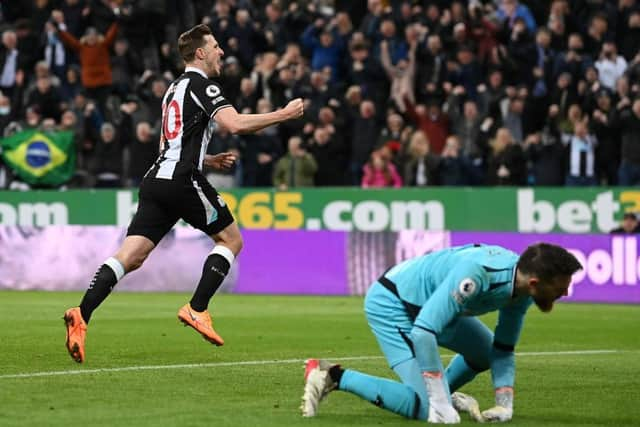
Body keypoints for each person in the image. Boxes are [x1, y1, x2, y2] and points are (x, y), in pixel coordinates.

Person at [63, 24, 304, 363]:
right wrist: (285, 114)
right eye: (216, 46)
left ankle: (81, 313)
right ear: (201, 53)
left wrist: (206, 158)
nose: (222, 51)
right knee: (231, 240)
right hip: (181, 178)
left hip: (156, 179)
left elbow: (167, 143)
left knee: (130, 257)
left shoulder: (173, 89)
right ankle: (197, 308)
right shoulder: (202, 85)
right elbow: (234, 124)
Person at [301, 242, 582, 423]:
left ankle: (439, 394)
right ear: (534, 282)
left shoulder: (520, 291)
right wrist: (439, 401)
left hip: (436, 307)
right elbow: (424, 332)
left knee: (484, 355)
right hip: (395, 303)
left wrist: (503, 403)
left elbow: (502, 350)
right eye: (560, 287)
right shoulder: (476, 276)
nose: (565, 293)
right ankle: (330, 375)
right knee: (429, 411)